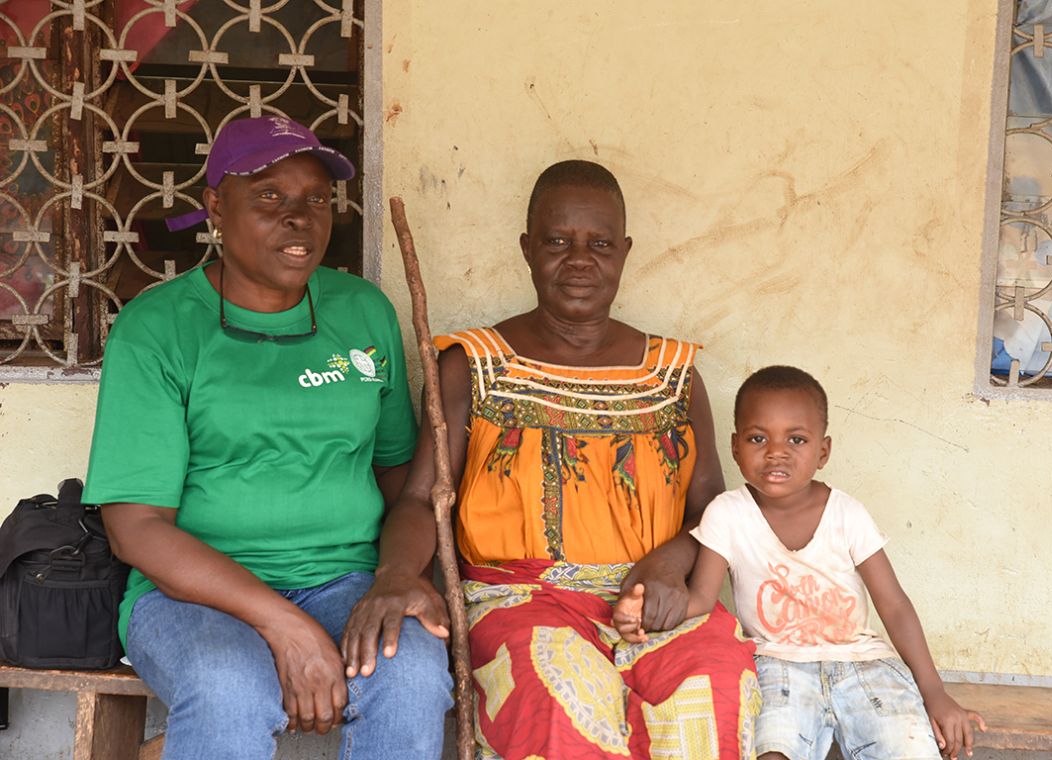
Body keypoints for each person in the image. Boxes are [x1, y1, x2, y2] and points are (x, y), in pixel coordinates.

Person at [357, 159, 760, 759]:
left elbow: (713, 510)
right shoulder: (471, 366)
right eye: (557, 241)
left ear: (624, 252)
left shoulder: (673, 376)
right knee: (555, 695)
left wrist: (670, 565)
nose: (579, 260)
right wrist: (395, 575)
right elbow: (421, 499)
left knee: (717, 680)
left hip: (656, 598)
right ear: (526, 248)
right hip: (521, 601)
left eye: (600, 243)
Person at [83, 115, 453, 760]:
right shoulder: (159, 328)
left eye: (315, 199)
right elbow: (135, 527)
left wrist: (398, 577)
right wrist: (287, 627)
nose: (299, 217)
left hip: (347, 579)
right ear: (215, 209)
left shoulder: (362, 310)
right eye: (268, 198)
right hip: (193, 594)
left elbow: (403, 483)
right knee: (228, 685)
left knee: (414, 673)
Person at [615, 365, 987, 760]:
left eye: (796, 439)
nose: (776, 451)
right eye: (758, 438)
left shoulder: (846, 513)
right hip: (776, 666)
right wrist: (645, 614)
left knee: (910, 750)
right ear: (736, 447)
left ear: (822, 452)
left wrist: (935, 692)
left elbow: (894, 605)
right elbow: (701, 599)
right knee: (772, 751)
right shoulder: (727, 513)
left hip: (864, 666)